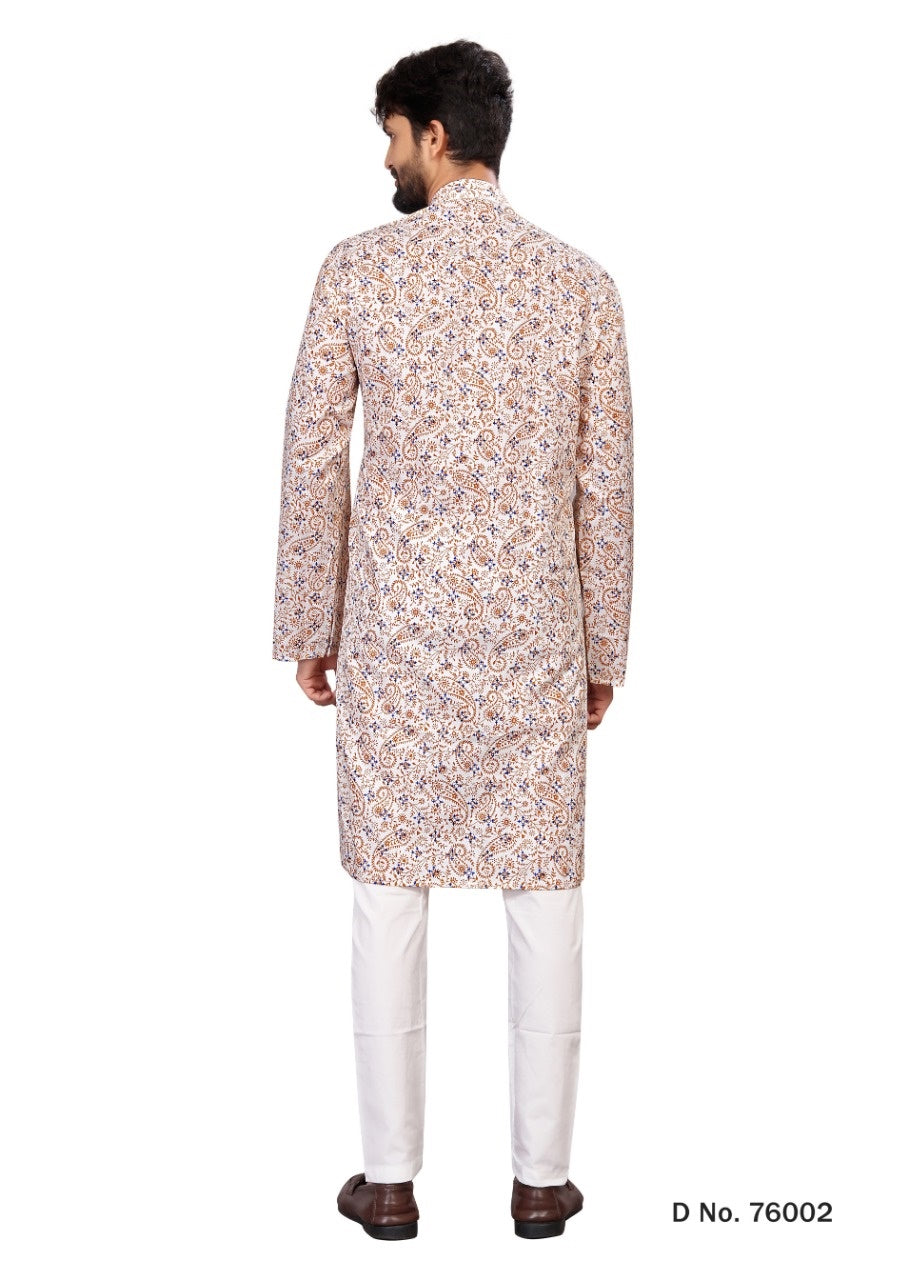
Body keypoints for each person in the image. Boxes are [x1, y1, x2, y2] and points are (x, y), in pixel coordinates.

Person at [272, 38, 634, 1240]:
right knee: (544, 897)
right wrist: (602, 650)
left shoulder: (357, 270)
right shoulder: (579, 284)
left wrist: (308, 622)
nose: (386, 158)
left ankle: (387, 1179)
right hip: (535, 637)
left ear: (434, 135)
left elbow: (313, 458)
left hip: (397, 635)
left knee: (387, 894)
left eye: (391, 135)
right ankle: (539, 1180)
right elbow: (605, 485)